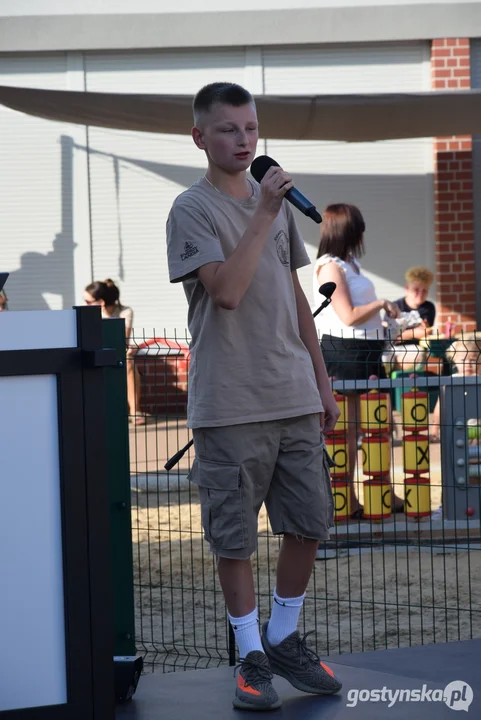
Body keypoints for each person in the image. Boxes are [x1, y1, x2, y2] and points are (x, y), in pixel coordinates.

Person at [166, 82, 342, 712]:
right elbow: (229, 292)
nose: (244, 141)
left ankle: (285, 637)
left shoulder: (277, 209)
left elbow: (293, 298)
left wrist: (321, 383)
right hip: (231, 403)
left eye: (251, 128)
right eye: (229, 130)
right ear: (200, 137)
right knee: (234, 540)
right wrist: (264, 212)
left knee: (308, 525)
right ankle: (250, 656)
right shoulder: (192, 208)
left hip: (293, 395)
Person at [313, 204, 402, 518]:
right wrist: (381, 303)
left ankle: (383, 491)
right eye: (360, 228)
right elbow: (347, 316)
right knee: (349, 431)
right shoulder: (330, 267)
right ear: (350, 232)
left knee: (378, 426)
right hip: (345, 352)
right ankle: (345, 497)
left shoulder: (350, 264)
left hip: (367, 351)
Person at [430, 336, 481, 519]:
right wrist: (435, 427)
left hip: (477, 436)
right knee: (452, 472)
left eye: (473, 359)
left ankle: (475, 504)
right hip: (456, 435)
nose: (468, 363)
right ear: (454, 361)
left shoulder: (480, 380)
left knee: (475, 470)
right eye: (463, 359)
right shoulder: (450, 382)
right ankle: (446, 505)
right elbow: (439, 406)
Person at [83, 279, 145, 425]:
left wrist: (129, 349)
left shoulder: (125, 312)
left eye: (88, 301)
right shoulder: (88, 314)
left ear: (101, 302)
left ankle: (135, 411)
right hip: (94, 355)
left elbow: (122, 340)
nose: (85, 305)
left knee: (129, 361)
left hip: (117, 355)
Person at [388, 266, 436, 370]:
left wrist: (401, 335)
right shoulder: (395, 307)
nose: (420, 294)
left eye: (424, 290)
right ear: (407, 289)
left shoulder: (428, 308)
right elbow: (387, 336)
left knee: (419, 354)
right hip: (390, 349)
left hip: (413, 350)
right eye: (416, 290)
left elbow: (426, 333)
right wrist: (413, 333)